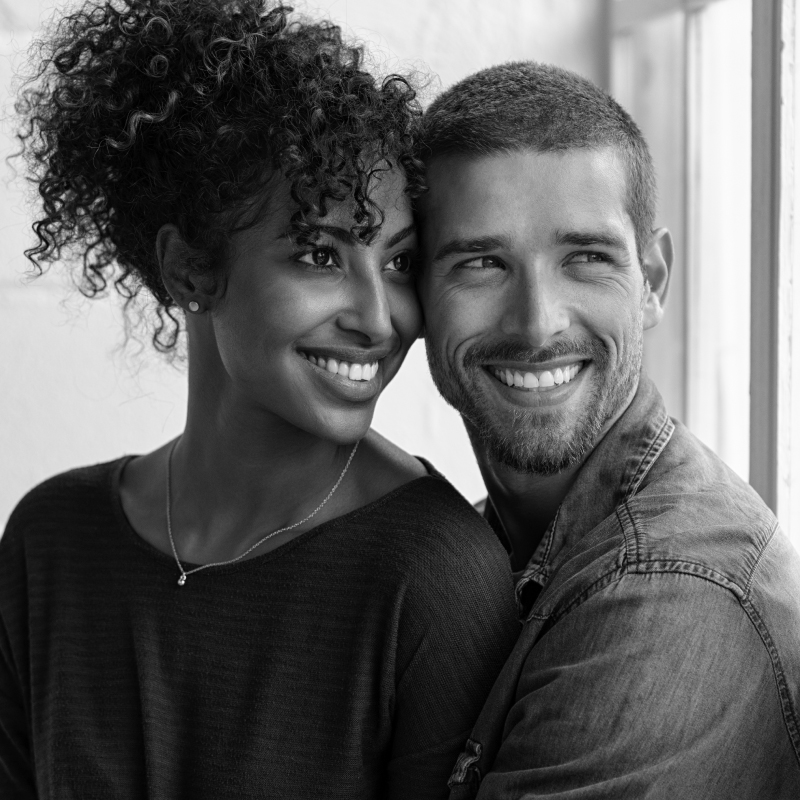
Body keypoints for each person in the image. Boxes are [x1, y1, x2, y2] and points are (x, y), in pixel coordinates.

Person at [0, 3, 520, 798]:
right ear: (190, 270)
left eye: (397, 262)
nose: (378, 320)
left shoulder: (435, 578)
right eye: (319, 253)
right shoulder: (51, 541)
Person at [417, 61, 800, 798]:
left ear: (652, 280)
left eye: (586, 258)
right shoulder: (483, 547)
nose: (538, 324)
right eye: (483, 263)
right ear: (416, 293)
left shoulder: (671, 594)